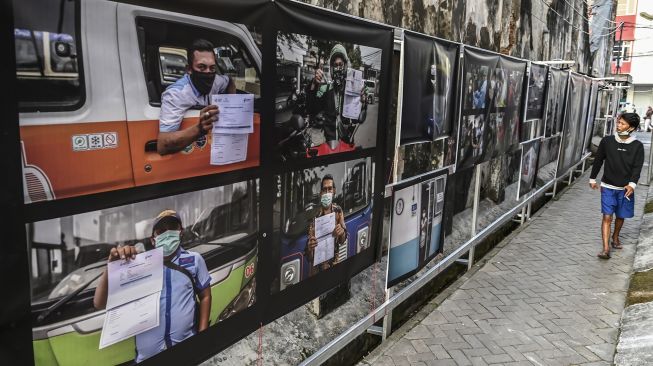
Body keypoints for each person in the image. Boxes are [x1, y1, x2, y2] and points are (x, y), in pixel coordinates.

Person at [94, 210, 212, 362]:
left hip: (188, 352)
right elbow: (99, 303)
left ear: (180, 232)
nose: (167, 233)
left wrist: (202, 335)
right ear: (153, 239)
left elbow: (205, 295)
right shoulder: (137, 266)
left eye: (172, 228)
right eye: (161, 231)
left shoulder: (195, 260)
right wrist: (112, 267)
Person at [157, 39, 236, 155]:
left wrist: (232, 106)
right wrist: (199, 129)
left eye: (212, 68)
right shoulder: (176, 94)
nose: (208, 73)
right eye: (202, 67)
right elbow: (163, 145)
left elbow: (230, 82)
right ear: (189, 69)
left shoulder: (216, 81)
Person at [589, 113, 644, 259]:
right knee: (607, 217)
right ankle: (606, 249)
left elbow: (637, 168)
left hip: (625, 189)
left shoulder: (637, 146)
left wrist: (632, 185)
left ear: (631, 128)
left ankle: (615, 237)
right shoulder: (607, 141)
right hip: (607, 186)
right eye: (618, 122)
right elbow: (598, 160)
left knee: (621, 215)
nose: (618, 126)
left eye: (622, 124)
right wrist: (592, 178)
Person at [306, 44, 366, 150]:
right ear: (331, 68)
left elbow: (358, 116)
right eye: (335, 65)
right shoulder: (325, 89)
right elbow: (311, 109)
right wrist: (314, 85)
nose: (338, 67)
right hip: (328, 143)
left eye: (341, 64)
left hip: (347, 143)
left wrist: (362, 101)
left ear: (345, 65)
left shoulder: (352, 91)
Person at [305, 174, 348, 276]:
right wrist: (310, 248)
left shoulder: (338, 210)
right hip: (317, 272)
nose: (327, 192)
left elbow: (342, 240)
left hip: (335, 266)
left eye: (330, 189)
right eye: (325, 190)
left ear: (334, 191)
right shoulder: (313, 216)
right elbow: (308, 257)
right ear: (321, 193)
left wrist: (341, 232)